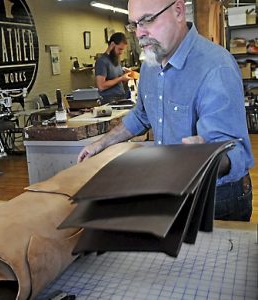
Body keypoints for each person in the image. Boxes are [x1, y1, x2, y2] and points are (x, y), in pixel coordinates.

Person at [78, 0, 254, 221]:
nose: (139, 33)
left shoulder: (215, 67)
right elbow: (141, 115)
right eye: (134, 24)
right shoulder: (150, 64)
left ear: (178, 11)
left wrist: (208, 157)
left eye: (147, 20)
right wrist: (102, 143)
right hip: (172, 189)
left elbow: (234, 153)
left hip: (217, 196)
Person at [95, 32, 132, 103]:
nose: (121, 52)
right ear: (112, 45)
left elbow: (117, 81)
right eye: (120, 49)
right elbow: (101, 86)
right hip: (109, 100)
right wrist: (121, 78)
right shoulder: (102, 61)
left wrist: (125, 76)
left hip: (120, 98)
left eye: (123, 49)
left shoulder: (116, 59)